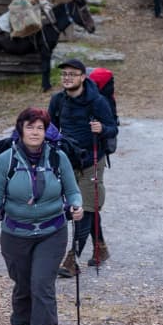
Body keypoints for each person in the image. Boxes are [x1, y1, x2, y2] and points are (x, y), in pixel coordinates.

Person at [0, 107, 83, 325]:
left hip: (52, 230)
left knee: (42, 284)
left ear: (46, 131)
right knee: (23, 283)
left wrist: (76, 205)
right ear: (21, 130)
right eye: (30, 127)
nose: (35, 132)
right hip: (16, 233)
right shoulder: (7, 159)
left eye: (40, 127)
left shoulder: (58, 158)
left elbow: (72, 191)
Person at [50, 58, 118, 278]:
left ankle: (72, 258)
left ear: (82, 77)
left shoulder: (96, 101)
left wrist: (102, 128)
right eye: (64, 75)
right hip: (67, 162)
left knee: (85, 208)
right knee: (82, 206)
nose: (67, 78)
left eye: (72, 74)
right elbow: (51, 129)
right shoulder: (58, 101)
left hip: (92, 161)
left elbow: (113, 128)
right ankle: (101, 246)